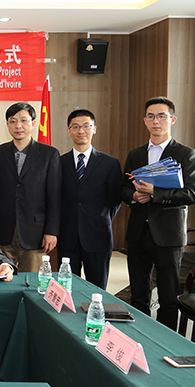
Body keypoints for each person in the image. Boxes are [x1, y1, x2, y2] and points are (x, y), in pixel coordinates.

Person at [122, 96, 195, 330]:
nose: (155, 121)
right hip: (138, 232)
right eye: (150, 116)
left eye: (161, 116)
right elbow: (123, 187)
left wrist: (155, 193)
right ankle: (139, 336)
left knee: (168, 297)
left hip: (169, 235)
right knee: (138, 295)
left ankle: (165, 342)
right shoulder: (135, 154)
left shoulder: (186, 154)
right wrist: (133, 196)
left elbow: (193, 193)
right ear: (145, 121)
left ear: (172, 120)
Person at [0, 102, 61, 272]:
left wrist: (51, 231)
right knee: (1, 279)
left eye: (23, 120)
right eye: (13, 121)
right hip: (2, 231)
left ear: (33, 123)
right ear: (7, 124)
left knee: (32, 281)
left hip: (35, 233)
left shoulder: (49, 154)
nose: (18, 125)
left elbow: (54, 196)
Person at [59, 109, 122, 290]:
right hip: (67, 236)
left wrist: (98, 219)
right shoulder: (59, 162)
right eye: (75, 127)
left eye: (86, 126)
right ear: (69, 130)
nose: (81, 131)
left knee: (97, 288)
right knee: (66, 288)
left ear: (94, 129)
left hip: (98, 236)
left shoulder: (110, 163)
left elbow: (115, 200)